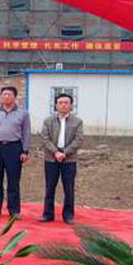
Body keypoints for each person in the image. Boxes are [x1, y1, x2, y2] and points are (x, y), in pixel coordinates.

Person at [0, 86, 31, 218]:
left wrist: (25, 151)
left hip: (14, 148)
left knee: (13, 180)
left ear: (15, 97)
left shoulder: (23, 113)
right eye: (4, 94)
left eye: (9, 94)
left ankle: (14, 210)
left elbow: (26, 132)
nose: (6, 97)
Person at [40, 93, 84, 224]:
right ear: (56, 105)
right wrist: (56, 152)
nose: (63, 105)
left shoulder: (77, 121)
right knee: (49, 187)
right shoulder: (48, 121)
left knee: (68, 188)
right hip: (51, 158)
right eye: (60, 103)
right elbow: (45, 138)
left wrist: (64, 153)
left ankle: (68, 215)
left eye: (66, 103)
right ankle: (48, 214)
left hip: (69, 159)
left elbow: (78, 140)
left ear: (71, 105)